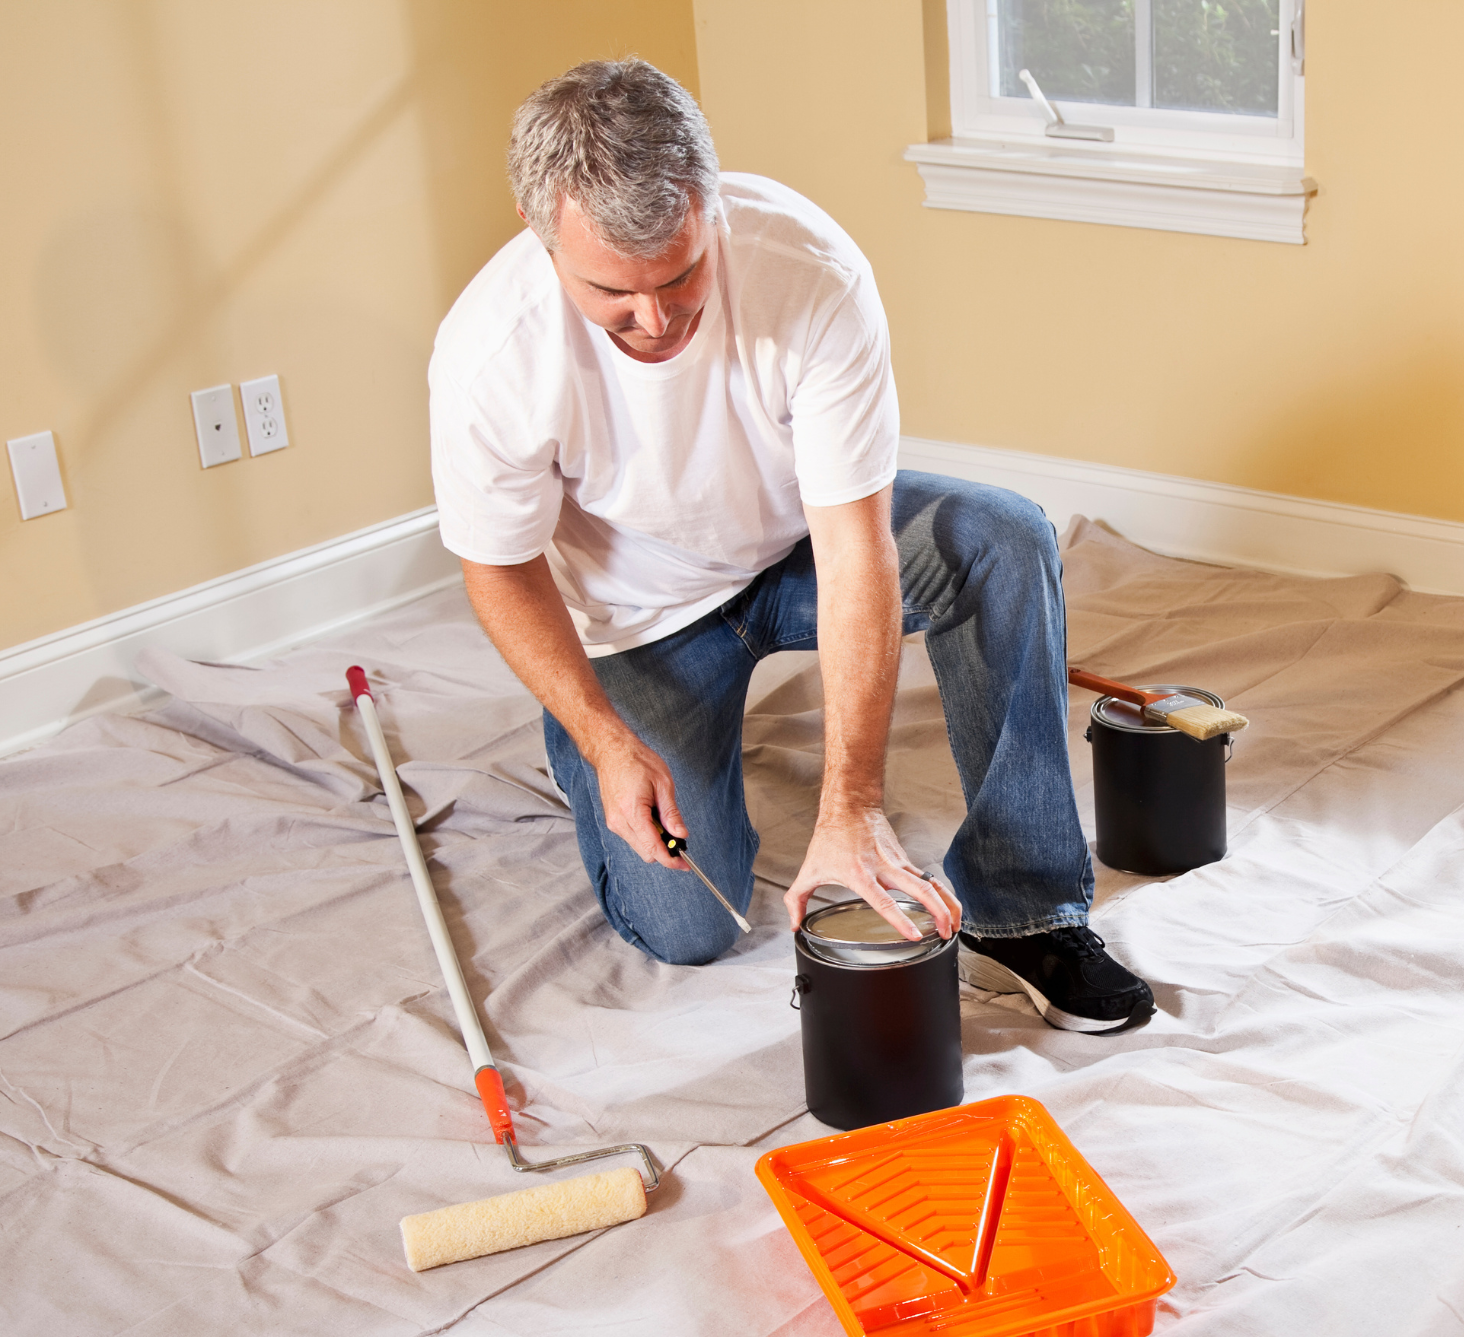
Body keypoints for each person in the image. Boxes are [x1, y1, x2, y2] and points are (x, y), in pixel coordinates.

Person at [427, 58, 1152, 1033]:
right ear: (538, 235)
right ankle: (583, 750)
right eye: (612, 293)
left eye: (681, 274)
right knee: (686, 926)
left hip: (796, 549)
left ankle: (1021, 911)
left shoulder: (809, 271)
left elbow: (856, 548)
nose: (655, 320)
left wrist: (848, 805)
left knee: (1003, 538)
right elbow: (500, 569)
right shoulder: (490, 353)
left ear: (712, 205)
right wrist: (605, 739)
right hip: (640, 618)